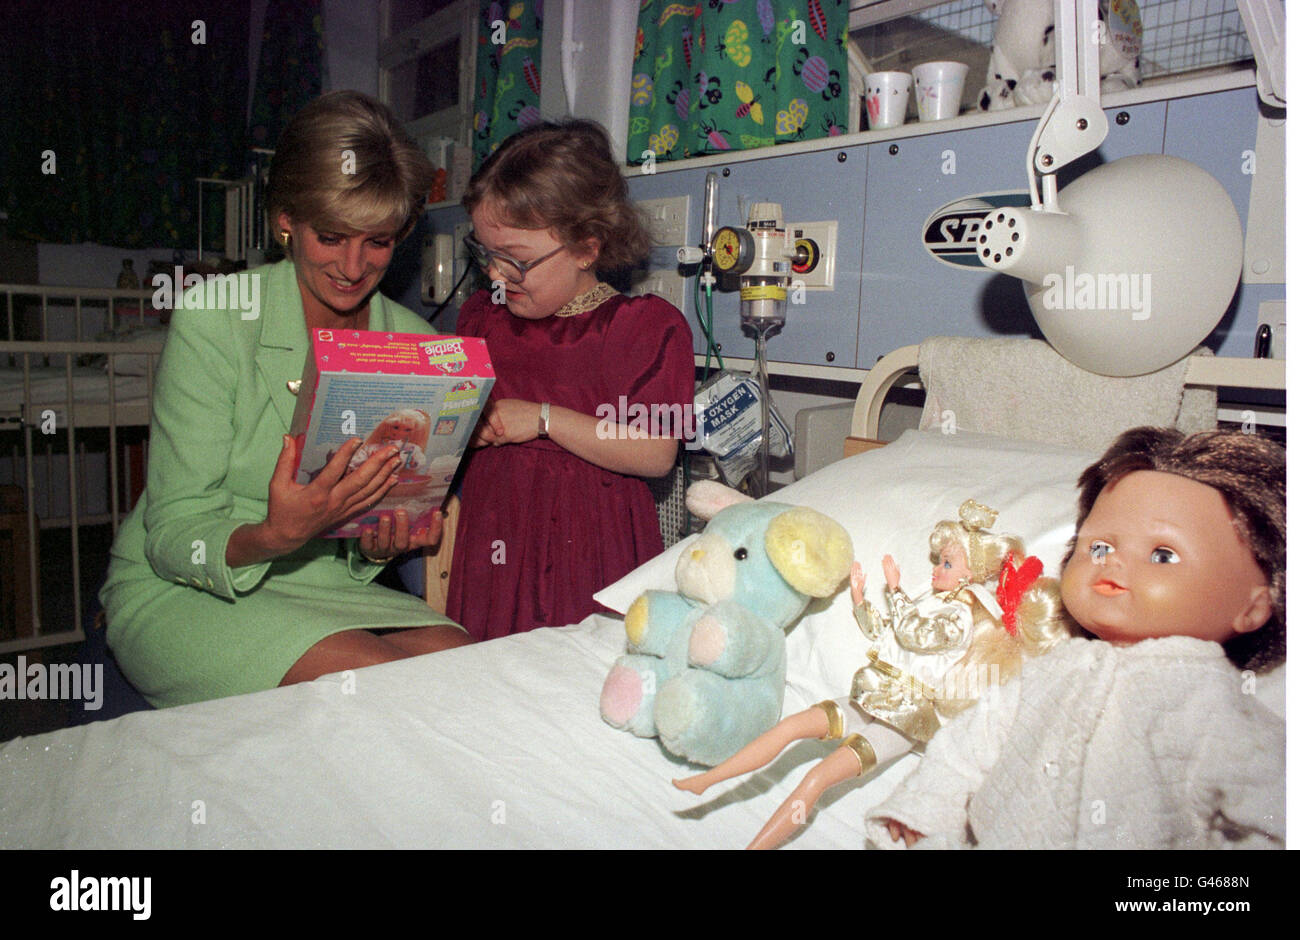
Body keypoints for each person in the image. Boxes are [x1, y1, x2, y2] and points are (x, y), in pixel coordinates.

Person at [101, 91, 471, 708]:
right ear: (286, 220)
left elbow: (368, 530)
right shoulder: (215, 318)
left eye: (377, 242)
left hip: (325, 588)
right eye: (331, 235)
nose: (353, 267)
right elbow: (172, 533)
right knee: (378, 689)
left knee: (465, 674)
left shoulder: (417, 343)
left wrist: (380, 540)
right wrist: (274, 535)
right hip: (186, 584)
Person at [868, 427, 1285, 849]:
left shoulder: (1210, 702)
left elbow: (1274, 811)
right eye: (1100, 548)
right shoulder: (1054, 669)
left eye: (1163, 555)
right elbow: (967, 747)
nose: (1114, 563)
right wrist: (926, 810)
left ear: (1251, 608)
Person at [673, 499, 1072, 849]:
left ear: (970, 574)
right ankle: (710, 780)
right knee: (791, 727)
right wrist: (863, 599)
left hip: (904, 721)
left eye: (947, 563)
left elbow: (918, 635)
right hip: (876, 692)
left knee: (817, 778)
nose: (937, 569)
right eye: (939, 561)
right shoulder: (930, 599)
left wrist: (896, 591)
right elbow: (884, 634)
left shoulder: (963, 614)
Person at [446, 119, 696, 641]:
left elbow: (655, 452)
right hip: (494, 544)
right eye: (486, 254)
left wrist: (540, 419)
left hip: (592, 549)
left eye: (516, 260)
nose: (496, 275)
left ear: (587, 247)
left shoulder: (641, 328)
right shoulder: (482, 319)